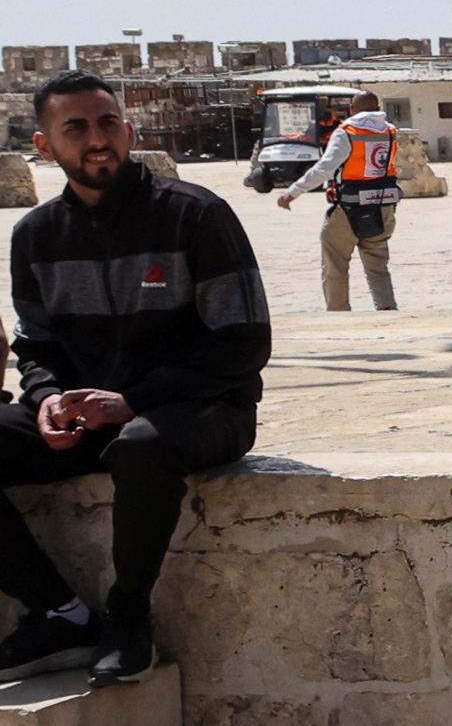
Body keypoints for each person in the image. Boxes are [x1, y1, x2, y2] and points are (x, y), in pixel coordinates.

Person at [0, 73, 268, 684]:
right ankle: (58, 613)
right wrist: (45, 401)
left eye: (108, 124)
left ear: (128, 130)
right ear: (45, 146)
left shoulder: (195, 215)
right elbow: (36, 343)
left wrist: (131, 401)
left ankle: (127, 618)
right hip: (95, 417)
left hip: (202, 409)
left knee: (142, 445)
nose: (98, 140)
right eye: (77, 128)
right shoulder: (35, 236)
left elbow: (244, 343)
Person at [274, 91, 404, 313]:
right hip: (383, 206)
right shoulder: (390, 131)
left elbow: (326, 167)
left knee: (335, 264)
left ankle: (338, 313)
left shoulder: (347, 132)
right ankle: (387, 308)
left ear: (352, 110)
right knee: (377, 265)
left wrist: (293, 192)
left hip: (349, 208)